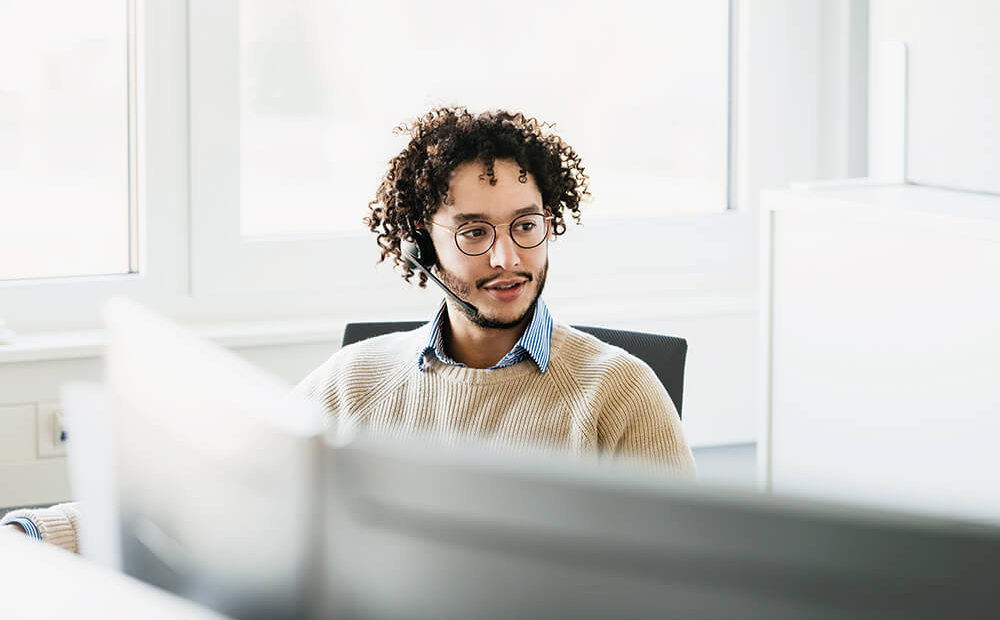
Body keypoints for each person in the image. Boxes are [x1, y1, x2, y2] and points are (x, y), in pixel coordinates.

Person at [2, 106, 694, 552]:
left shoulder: (618, 394)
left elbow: (693, 588)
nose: (509, 258)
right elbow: (208, 496)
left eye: (526, 226)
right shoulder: (357, 380)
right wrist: (37, 530)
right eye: (474, 232)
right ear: (425, 245)